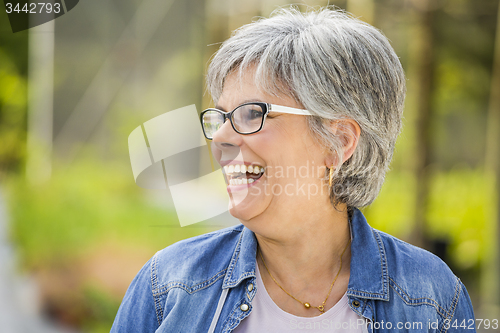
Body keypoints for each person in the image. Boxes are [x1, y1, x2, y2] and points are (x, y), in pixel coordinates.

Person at [111, 6, 476, 333]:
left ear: (339, 142)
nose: (220, 136)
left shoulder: (433, 300)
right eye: (220, 117)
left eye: (253, 113)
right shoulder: (167, 285)